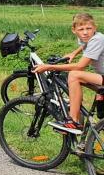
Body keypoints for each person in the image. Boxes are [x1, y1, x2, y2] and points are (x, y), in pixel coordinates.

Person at [34, 13, 104, 141]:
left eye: (89, 28)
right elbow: (85, 45)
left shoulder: (97, 39)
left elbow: (80, 66)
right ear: (74, 30)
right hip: (101, 76)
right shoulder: (87, 38)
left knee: (74, 75)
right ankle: (79, 119)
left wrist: (49, 66)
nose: (85, 32)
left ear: (95, 28)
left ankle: (73, 121)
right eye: (81, 29)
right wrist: (74, 53)